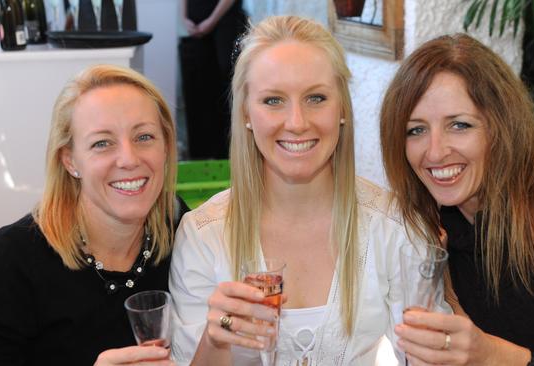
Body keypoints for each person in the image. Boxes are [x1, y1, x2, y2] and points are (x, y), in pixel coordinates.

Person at [169, 15, 442, 366]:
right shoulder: (203, 237)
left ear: (342, 108)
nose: (297, 123)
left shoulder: (394, 227)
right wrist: (216, 340)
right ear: (246, 114)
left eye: (316, 98)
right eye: (273, 101)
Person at [380, 33, 534, 365]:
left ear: (501, 126)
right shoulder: (439, 217)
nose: (435, 152)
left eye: (459, 125)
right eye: (415, 130)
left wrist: (492, 356)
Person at [0, 65, 188, 365]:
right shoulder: (5, 269)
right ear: (70, 161)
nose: (129, 159)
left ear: (166, 148)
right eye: (102, 143)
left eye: (144, 137)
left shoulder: (177, 224)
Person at [179, 0, 247, 159]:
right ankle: (200, 155)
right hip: (195, 25)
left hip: (225, 25)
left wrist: (212, 20)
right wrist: (184, 18)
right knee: (197, 90)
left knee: (224, 89)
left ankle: (229, 155)